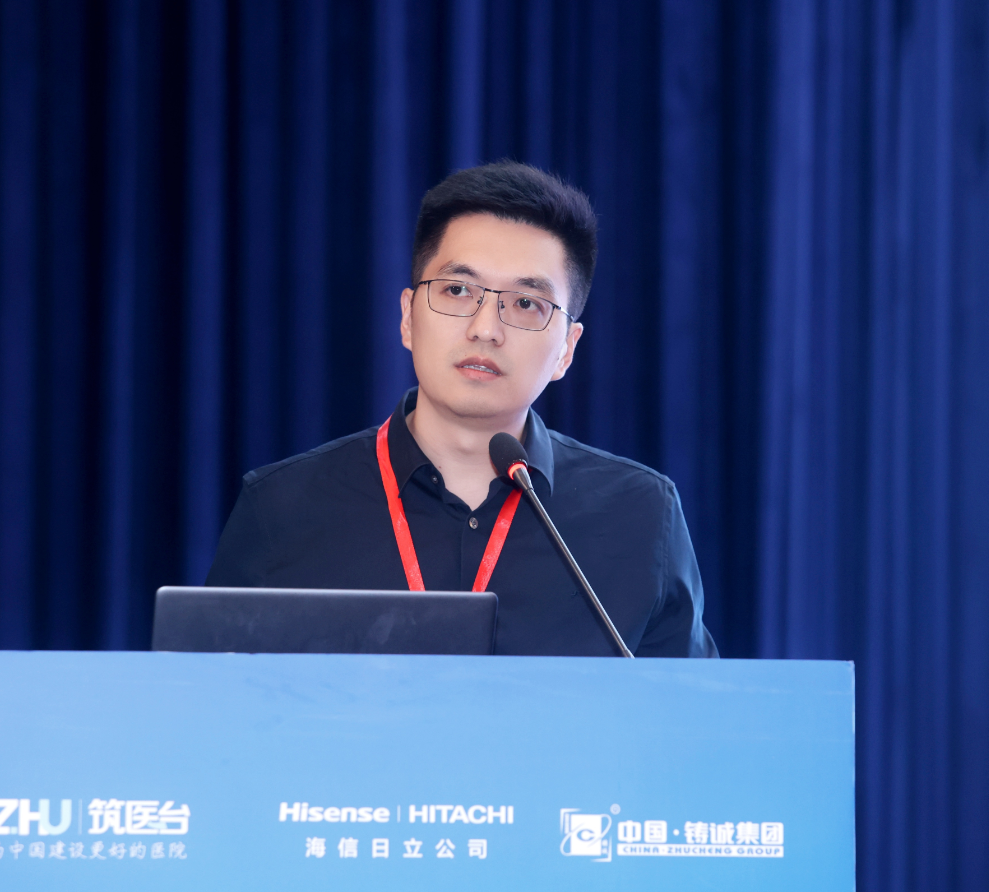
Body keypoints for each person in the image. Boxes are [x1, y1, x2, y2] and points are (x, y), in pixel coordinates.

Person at [205, 160, 717, 657]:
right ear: (408, 317)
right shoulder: (282, 510)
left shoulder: (640, 516)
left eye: (526, 303)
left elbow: (691, 708)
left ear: (567, 349)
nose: (485, 328)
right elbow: (209, 699)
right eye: (456, 290)